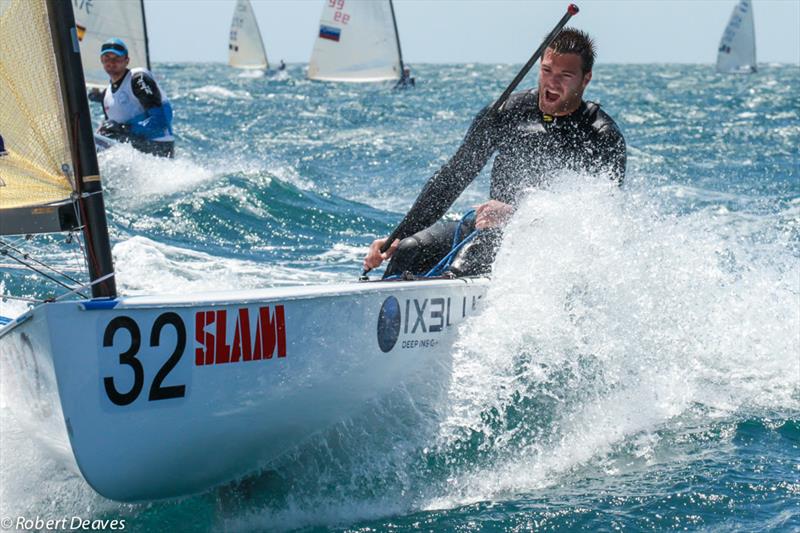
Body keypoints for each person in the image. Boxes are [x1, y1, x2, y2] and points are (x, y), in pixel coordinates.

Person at [364, 28, 626, 278]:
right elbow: (452, 177)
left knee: (466, 262)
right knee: (410, 249)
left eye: (565, 76)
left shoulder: (601, 135)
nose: (552, 82)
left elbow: (596, 219)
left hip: (544, 247)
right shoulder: (505, 112)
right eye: (546, 70)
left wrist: (517, 215)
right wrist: (397, 236)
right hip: (483, 227)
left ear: (586, 78)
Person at [90, 38, 175, 158]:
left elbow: (162, 119)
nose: (111, 62)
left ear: (127, 61)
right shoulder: (106, 95)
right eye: (107, 58)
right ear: (101, 60)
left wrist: (124, 129)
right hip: (131, 147)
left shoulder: (138, 79)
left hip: (158, 147)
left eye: (117, 58)